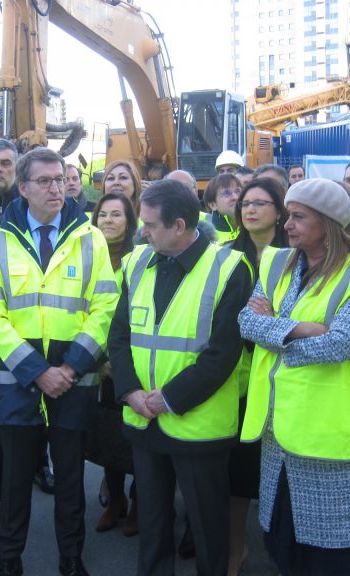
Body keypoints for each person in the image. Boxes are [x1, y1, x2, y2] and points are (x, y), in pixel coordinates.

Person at [0, 147, 118, 576]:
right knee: (15, 479)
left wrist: (72, 367)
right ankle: (9, 561)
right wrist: (36, 371)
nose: (56, 187)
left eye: (59, 179)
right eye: (44, 181)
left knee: (71, 478)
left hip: (72, 377)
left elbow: (105, 305)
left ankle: (71, 558)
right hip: (17, 380)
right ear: (24, 188)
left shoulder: (89, 236)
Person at [239, 178, 350, 576]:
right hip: (278, 429)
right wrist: (302, 328)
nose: (287, 224)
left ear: (329, 222)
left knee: (330, 551)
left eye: (299, 216)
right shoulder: (274, 262)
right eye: (288, 214)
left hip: (328, 431)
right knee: (282, 543)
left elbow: (336, 346)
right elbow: (246, 321)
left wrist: (275, 328)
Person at [108, 179, 253, 576]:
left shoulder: (229, 268)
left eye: (151, 225)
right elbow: (118, 336)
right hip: (143, 417)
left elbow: (223, 354)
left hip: (197, 426)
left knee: (208, 529)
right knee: (153, 526)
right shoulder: (137, 261)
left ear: (179, 226)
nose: (142, 231)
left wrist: (166, 398)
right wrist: (130, 391)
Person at [224, 176, 287, 576]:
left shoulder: (296, 257)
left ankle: (282, 548)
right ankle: (234, 550)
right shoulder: (227, 256)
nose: (250, 209)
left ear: (279, 213)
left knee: (282, 472)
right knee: (238, 473)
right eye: (246, 202)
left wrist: (267, 322)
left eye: (261, 203)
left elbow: (292, 321)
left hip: (284, 379)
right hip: (237, 379)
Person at [87, 192, 139, 536]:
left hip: (132, 361)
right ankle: (115, 498)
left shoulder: (140, 260)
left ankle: (140, 503)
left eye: (116, 214)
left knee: (136, 438)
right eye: (102, 214)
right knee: (107, 435)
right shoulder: (85, 258)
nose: (107, 220)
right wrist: (97, 360)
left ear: (129, 221)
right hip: (97, 362)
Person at [204, 173, 243, 244]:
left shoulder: (255, 227)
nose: (235, 197)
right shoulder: (207, 237)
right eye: (226, 193)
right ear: (213, 205)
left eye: (238, 191)